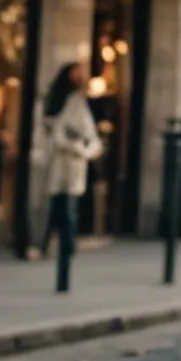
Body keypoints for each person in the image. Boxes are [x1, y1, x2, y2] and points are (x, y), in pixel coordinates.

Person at [37, 63, 105, 272]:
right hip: (61, 162)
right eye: (77, 74)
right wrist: (80, 147)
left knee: (65, 206)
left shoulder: (77, 103)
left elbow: (89, 135)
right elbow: (58, 134)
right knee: (62, 206)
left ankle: (59, 247)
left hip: (72, 163)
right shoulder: (60, 102)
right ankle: (59, 246)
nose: (81, 78)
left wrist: (86, 149)